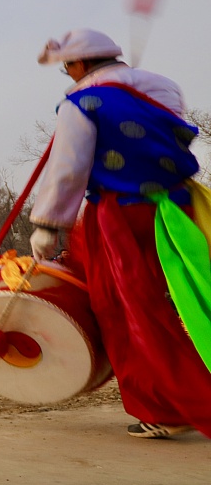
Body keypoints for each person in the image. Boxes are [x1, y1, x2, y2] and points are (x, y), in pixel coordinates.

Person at [28, 28, 210, 440]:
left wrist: (48, 224)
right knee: (188, 299)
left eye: (68, 68)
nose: (68, 75)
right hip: (178, 207)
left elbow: (69, 168)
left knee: (126, 310)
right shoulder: (163, 88)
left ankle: (166, 406)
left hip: (120, 215)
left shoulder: (80, 104)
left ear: (80, 63)